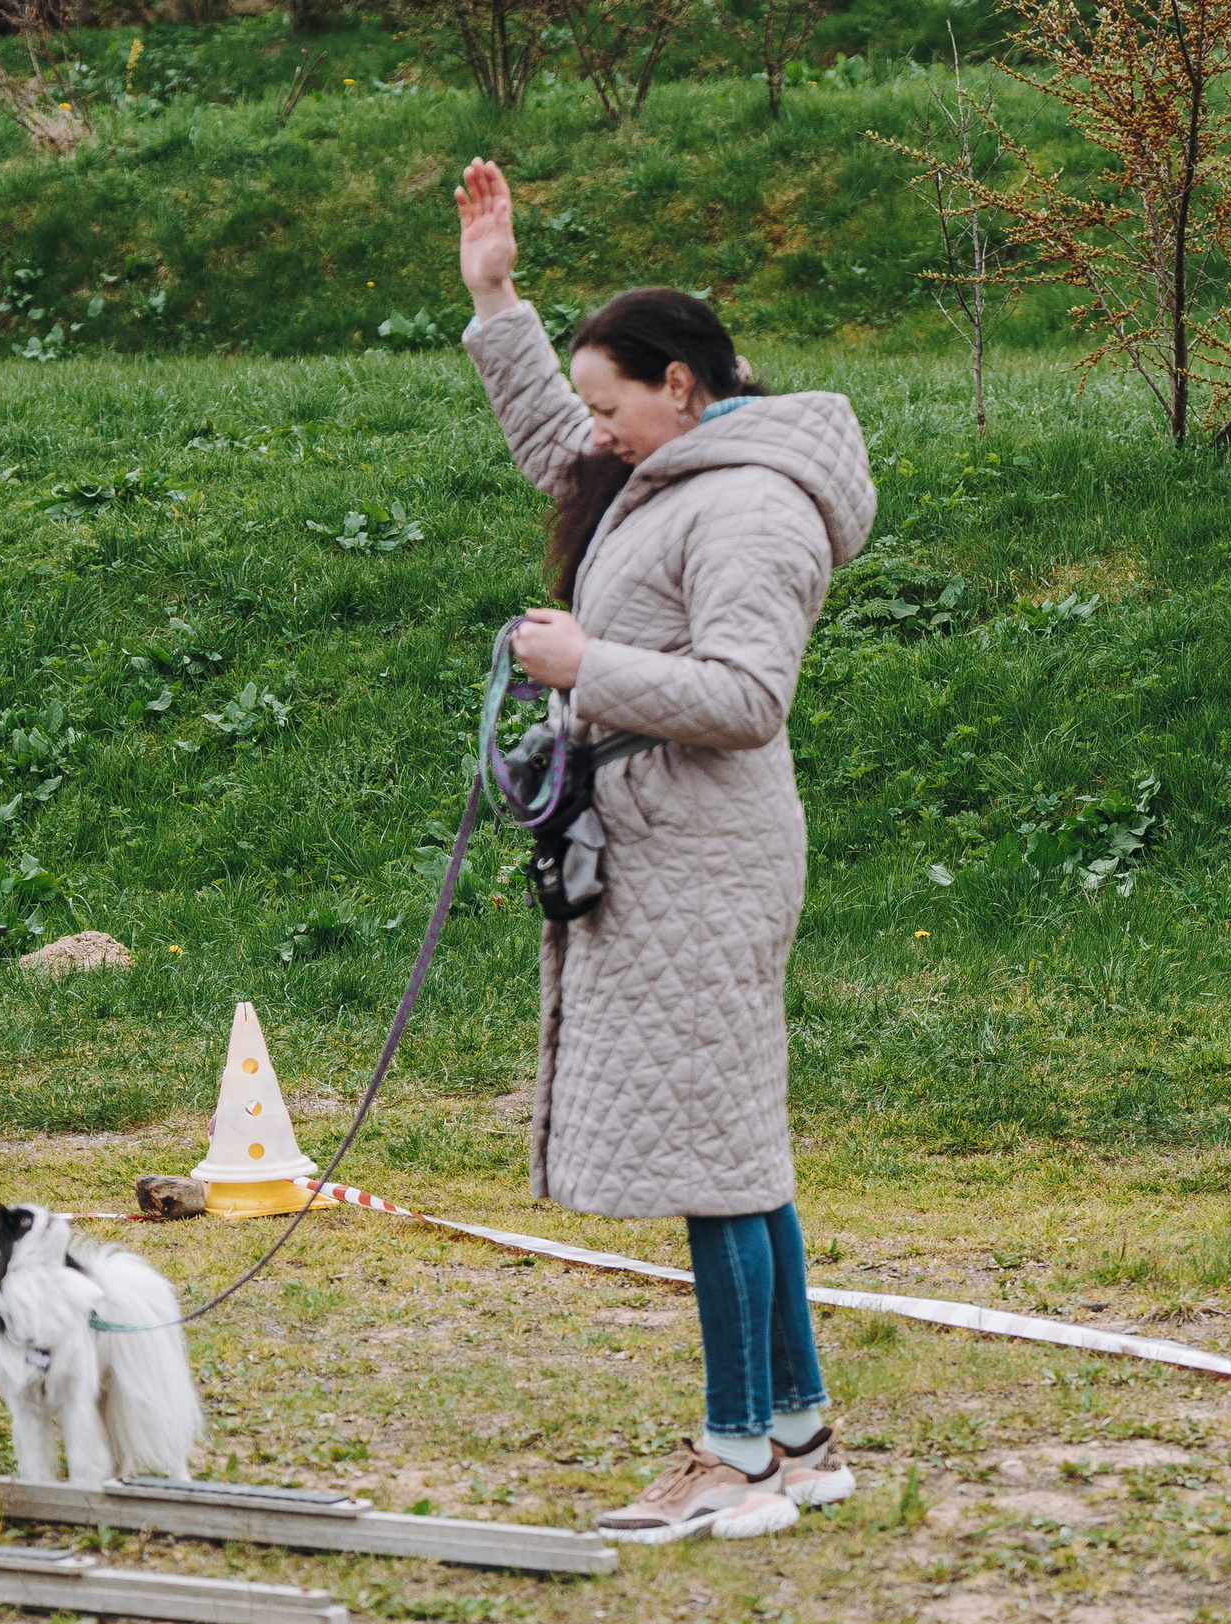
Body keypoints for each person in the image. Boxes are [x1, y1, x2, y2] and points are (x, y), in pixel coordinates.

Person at [454, 158, 876, 1544]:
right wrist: (496, 295)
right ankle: (802, 1436)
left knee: (715, 1158)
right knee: (740, 1148)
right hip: (662, 850)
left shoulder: (749, 507)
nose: (592, 430)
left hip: (707, 857)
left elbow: (752, 699)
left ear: (680, 390)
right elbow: (549, 445)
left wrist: (591, 662)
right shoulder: (669, 472)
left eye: (609, 402)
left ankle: (734, 1459)